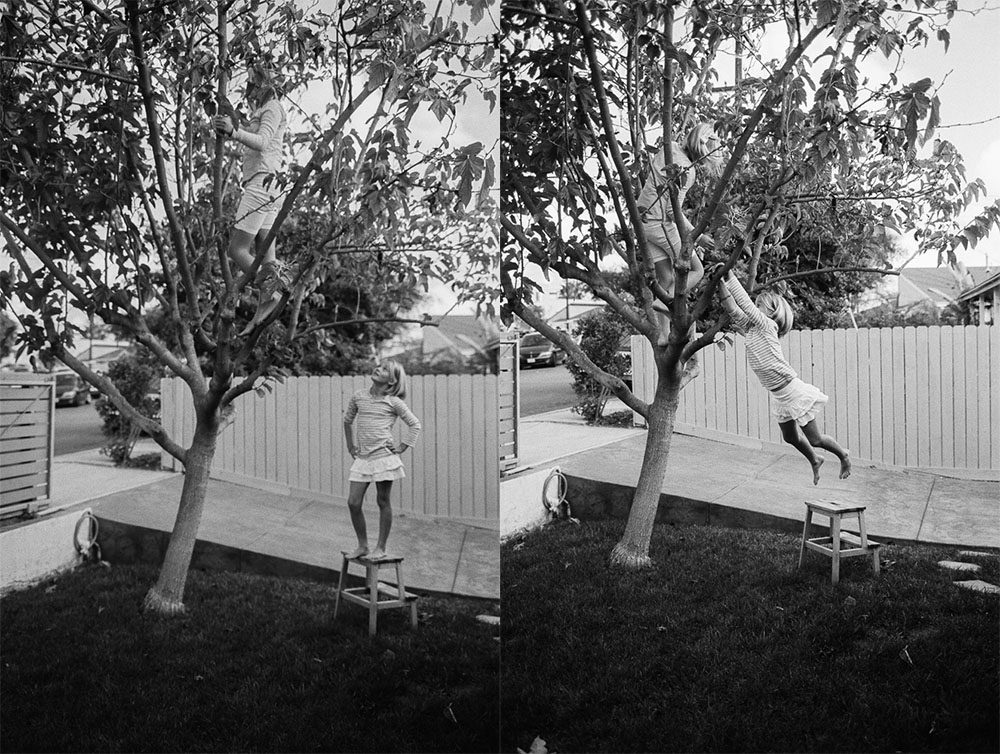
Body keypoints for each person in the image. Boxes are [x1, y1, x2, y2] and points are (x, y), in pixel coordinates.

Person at [717, 269, 851, 485]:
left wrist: (729, 275)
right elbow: (732, 308)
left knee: (815, 439)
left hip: (793, 391)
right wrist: (719, 281)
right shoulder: (751, 329)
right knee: (790, 437)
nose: (756, 309)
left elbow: (744, 304)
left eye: (760, 306)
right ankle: (815, 460)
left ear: (771, 312)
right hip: (779, 395)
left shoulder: (767, 325)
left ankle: (843, 454)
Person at [212, 67, 288, 334]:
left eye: (252, 84)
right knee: (268, 259)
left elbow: (264, 142)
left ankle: (273, 293)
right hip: (268, 185)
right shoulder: (265, 109)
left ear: (264, 84)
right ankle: (268, 301)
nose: (249, 89)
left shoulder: (272, 106)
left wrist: (234, 132)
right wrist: (231, 128)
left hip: (262, 184)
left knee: (236, 250)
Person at [637, 123, 725, 345]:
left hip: (641, 221)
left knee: (666, 278)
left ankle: (664, 336)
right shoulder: (688, 171)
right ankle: (665, 302)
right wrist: (697, 234)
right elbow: (670, 211)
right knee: (697, 269)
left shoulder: (670, 148)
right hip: (660, 224)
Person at [342, 360, 421, 560]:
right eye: (379, 366)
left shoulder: (393, 402)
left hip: (384, 458)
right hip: (363, 458)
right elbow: (347, 420)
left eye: (385, 369)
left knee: (382, 500)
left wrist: (403, 446)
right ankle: (363, 545)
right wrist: (350, 445)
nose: (378, 368)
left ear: (392, 381)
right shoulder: (359, 397)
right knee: (353, 502)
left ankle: (381, 547)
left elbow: (415, 425)